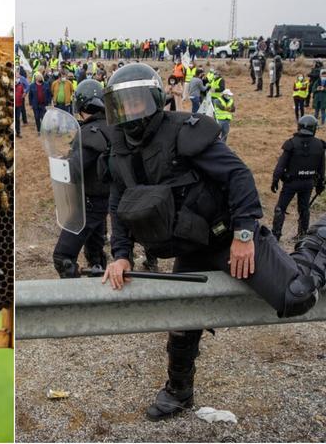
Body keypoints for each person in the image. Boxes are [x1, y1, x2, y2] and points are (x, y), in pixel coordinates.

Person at [99, 62, 326, 422]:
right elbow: (119, 206)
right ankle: (178, 392)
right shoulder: (119, 151)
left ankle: (319, 242)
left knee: (298, 296)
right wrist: (121, 255)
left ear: (155, 100)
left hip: (227, 238)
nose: (130, 113)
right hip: (189, 246)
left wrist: (244, 235)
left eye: (136, 103)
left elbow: (238, 175)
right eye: (121, 105)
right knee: (182, 323)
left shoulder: (184, 132)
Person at [51, 80, 112, 277]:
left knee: (63, 257)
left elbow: (74, 170)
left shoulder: (90, 133)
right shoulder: (111, 127)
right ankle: (98, 294)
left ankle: (76, 302)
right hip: (104, 201)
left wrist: (60, 164)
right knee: (95, 255)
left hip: (89, 206)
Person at [271, 115, 325, 242]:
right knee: (304, 208)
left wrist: (275, 179)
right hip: (308, 183)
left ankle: (275, 236)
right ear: (314, 128)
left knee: (280, 208)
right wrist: (320, 184)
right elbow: (322, 168)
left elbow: (281, 164)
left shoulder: (291, 143)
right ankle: (302, 235)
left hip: (291, 183)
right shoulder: (320, 145)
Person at [16, 68, 30, 138]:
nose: (16, 75)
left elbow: (28, 86)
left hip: (20, 99)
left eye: (17, 73)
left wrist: (25, 92)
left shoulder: (22, 80)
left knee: (22, 109)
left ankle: (24, 121)